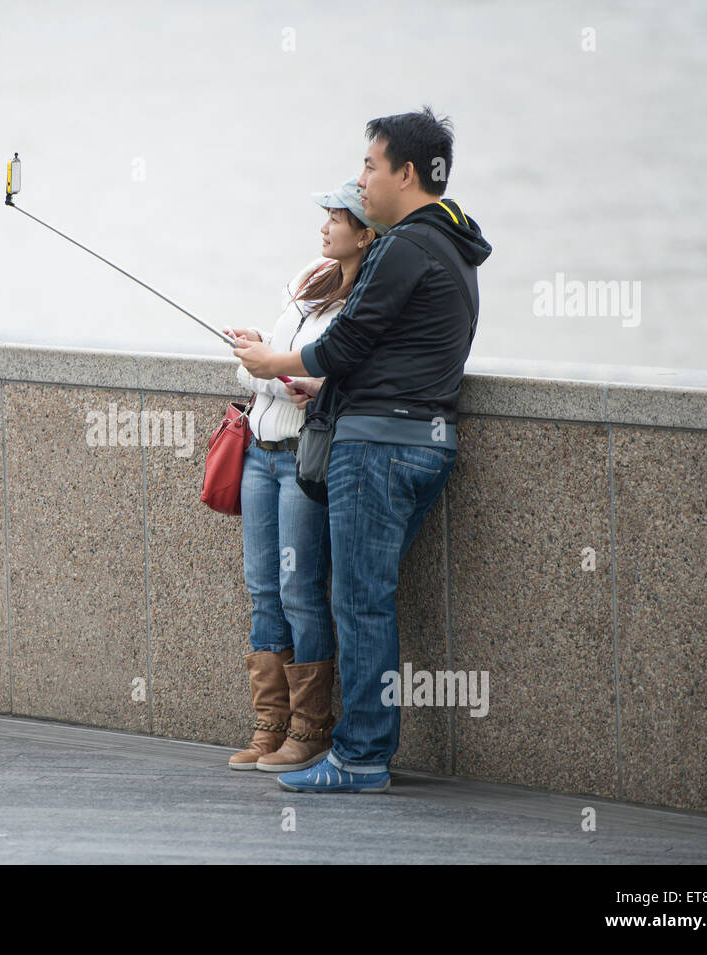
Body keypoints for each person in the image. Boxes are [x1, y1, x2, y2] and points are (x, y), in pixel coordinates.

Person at [233, 107, 492, 793]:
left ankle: (360, 756)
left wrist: (272, 360)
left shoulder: (405, 245)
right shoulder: (453, 246)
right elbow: (387, 352)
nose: (362, 178)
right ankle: (359, 749)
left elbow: (348, 344)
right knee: (365, 595)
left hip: (379, 447)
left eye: (371, 166)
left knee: (359, 599)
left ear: (407, 173)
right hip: (421, 440)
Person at [223, 179, 388, 773]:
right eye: (324, 214)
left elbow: (335, 384)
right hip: (258, 451)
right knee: (263, 587)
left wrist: (294, 379)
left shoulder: (366, 298)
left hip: (303, 458)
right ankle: (268, 726)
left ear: (366, 233)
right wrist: (259, 354)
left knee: (300, 591)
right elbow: (263, 374)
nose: (324, 225)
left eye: (337, 217)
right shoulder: (307, 278)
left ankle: (310, 729)